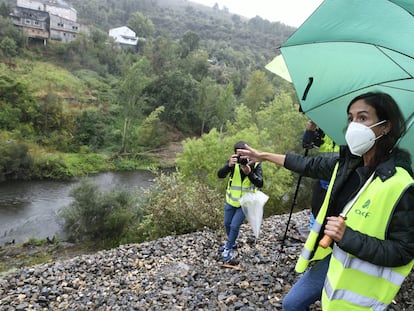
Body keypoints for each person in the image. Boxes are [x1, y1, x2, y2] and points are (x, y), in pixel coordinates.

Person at [237, 92, 414, 310]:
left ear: (385, 126)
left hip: (363, 281)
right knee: (292, 303)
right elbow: (305, 164)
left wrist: (347, 236)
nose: (353, 126)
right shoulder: (348, 163)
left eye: (363, 118)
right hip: (338, 257)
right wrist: (263, 156)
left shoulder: (401, 184)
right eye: (351, 118)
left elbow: (404, 251)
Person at [217, 140, 263, 263]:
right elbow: (220, 175)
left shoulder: (256, 164)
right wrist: (228, 166)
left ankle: (228, 248)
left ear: (248, 152)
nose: (242, 158)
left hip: (246, 202)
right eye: (239, 155)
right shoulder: (232, 163)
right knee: (227, 223)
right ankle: (232, 243)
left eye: (244, 154)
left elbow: (260, 183)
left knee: (234, 225)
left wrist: (250, 173)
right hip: (231, 200)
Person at [302, 120, 339, 229]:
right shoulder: (324, 127)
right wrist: (310, 130)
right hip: (323, 177)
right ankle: (314, 234)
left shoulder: (349, 128)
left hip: (341, 177)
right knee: (317, 207)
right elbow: (306, 144)